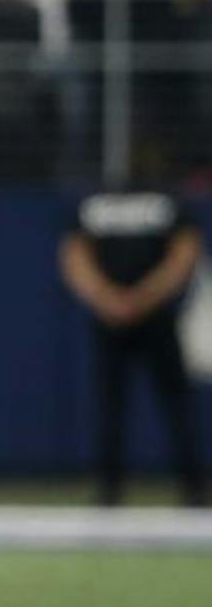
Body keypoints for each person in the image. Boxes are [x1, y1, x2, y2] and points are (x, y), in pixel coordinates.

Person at [60, 183, 208, 505]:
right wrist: (106, 298)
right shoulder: (94, 203)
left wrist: (141, 297)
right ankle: (109, 489)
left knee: (175, 403)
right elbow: (74, 255)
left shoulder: (169, 201)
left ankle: (193, 487)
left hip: (155, 318)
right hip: (112, 318)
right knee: (110, 405)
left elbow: (185, 253)